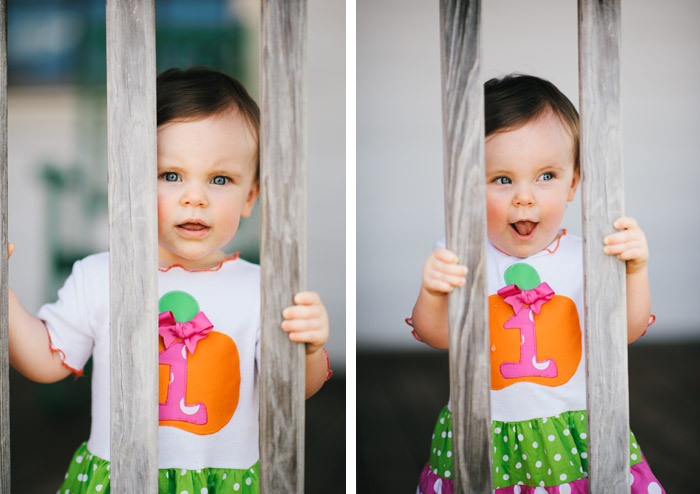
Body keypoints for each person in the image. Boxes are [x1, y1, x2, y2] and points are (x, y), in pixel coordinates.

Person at [8, 66, 331, 493]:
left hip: (226, 481)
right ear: (130, 183)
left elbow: (292, 390)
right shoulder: (99, 276)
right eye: (170, 175)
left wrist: (309, 351)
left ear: (250, 196)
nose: (194, 196)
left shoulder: (262, 288)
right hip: (120, 477)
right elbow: (45, 361)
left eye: (220, 180)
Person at [410, 75, 664, 493]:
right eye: (503, 179)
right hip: (482, 436)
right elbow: (434, 335)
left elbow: (625, 331)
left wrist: (635, 271)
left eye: (546, 175)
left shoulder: (589, 258)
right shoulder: (460, 253)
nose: (524, 197)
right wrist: (433, 292)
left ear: (574, 183)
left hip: (574, 438)